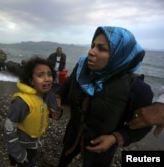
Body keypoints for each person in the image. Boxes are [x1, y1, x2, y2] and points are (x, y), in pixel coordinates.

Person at [55, 26, 153, 167]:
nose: (91, 51)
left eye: (102, 49)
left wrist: (115, 138)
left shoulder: (137, 89)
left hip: (101, 146)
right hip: (73, 133)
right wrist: (57, 98)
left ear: (119, 54)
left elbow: (143, 125)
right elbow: (66, 86)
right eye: (93, 45)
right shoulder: (82, 69)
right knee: (64, 159)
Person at [4, 56, 62, 167]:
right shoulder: (22, 103)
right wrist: (18, 154)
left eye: (49, 74)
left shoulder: (47, 95)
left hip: (34, 143)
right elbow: (8, 127)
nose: (47, 79)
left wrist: (55, 110)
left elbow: (42, 112)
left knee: (32, 160)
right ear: (31, 80)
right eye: (40, 75)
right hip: (22, 146)